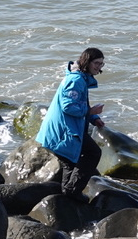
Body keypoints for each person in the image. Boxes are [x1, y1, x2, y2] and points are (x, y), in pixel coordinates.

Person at [36, 47, 106, 199]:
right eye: (96, 63)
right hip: (63, 131)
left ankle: (66, 195)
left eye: (101, 64)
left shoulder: (80, 77)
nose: (99, 67)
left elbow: (79, 102)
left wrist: (94, 119)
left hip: (65, 129)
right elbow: (68, 106)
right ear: (86, 62)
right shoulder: (75, 80)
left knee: (70, 162)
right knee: (92, 153)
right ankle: (71, 192)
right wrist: (91, 112)